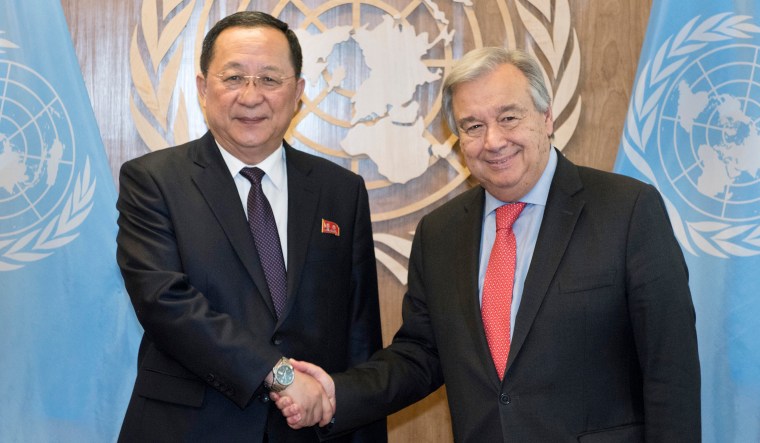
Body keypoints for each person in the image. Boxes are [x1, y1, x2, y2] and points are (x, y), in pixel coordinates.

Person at [274, 47, 701, 442]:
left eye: (509, 117)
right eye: (473, 126)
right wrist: (336, 393)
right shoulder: (439, 234)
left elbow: (670, 370)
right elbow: (420, 356)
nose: (493, 141)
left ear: (546, 116)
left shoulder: (627, 210)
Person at [115, 11, 385, 442]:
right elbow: (165, 302)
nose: (251, 96)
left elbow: (359, 335)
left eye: (270, 80)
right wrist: (275, 373)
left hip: (307, 432)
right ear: (204, 88)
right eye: (234, 77)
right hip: (189, 429)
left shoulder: (341, 190)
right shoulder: (153, 181)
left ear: (298, 93)